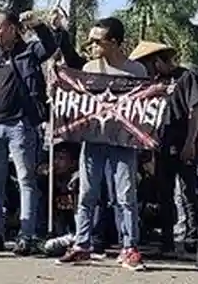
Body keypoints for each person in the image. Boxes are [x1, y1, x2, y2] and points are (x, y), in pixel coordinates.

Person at [57, 18, 148, 269]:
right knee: (87, 193)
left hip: (123, 140)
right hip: (93, 138)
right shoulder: (89, 67)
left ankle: (129, 247)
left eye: (98, 41)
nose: (92, 46)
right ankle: (82, 244)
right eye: (91, 41)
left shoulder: (136, 71)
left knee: (125, 194)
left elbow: (144, 106)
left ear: (114, 42)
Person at [0, 10, 57, 256]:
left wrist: (38, 25)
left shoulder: (29, 52)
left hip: (20, 126)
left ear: (11, 29)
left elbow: (51, 46)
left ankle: (26, 236)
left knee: (25, 180)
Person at [130, 41, 198, 258]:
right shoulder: (152, 83)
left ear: (158, 61)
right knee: (164, 192)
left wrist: (190, 142)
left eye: (150, 65)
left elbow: (194, 111)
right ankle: (167, 240)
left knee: (189, 191)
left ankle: (192, 237)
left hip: (183, 141)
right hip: (160, 144)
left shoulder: (186, 77)